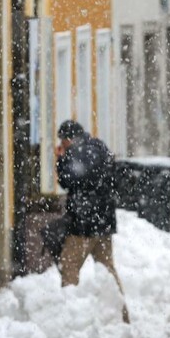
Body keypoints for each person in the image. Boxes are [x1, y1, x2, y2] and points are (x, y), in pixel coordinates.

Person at [55, 120, 129, 323]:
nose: (62, 144)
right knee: (107, 268)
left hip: (83, 224)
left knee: (69, 266)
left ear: (69, 139)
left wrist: (61, 159)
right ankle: (122, 315)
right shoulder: (100, 148)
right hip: (104, 221)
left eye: (62, 140)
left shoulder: (75, 153)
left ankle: (69, 318)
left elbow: (67, 180)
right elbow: (115, 179)